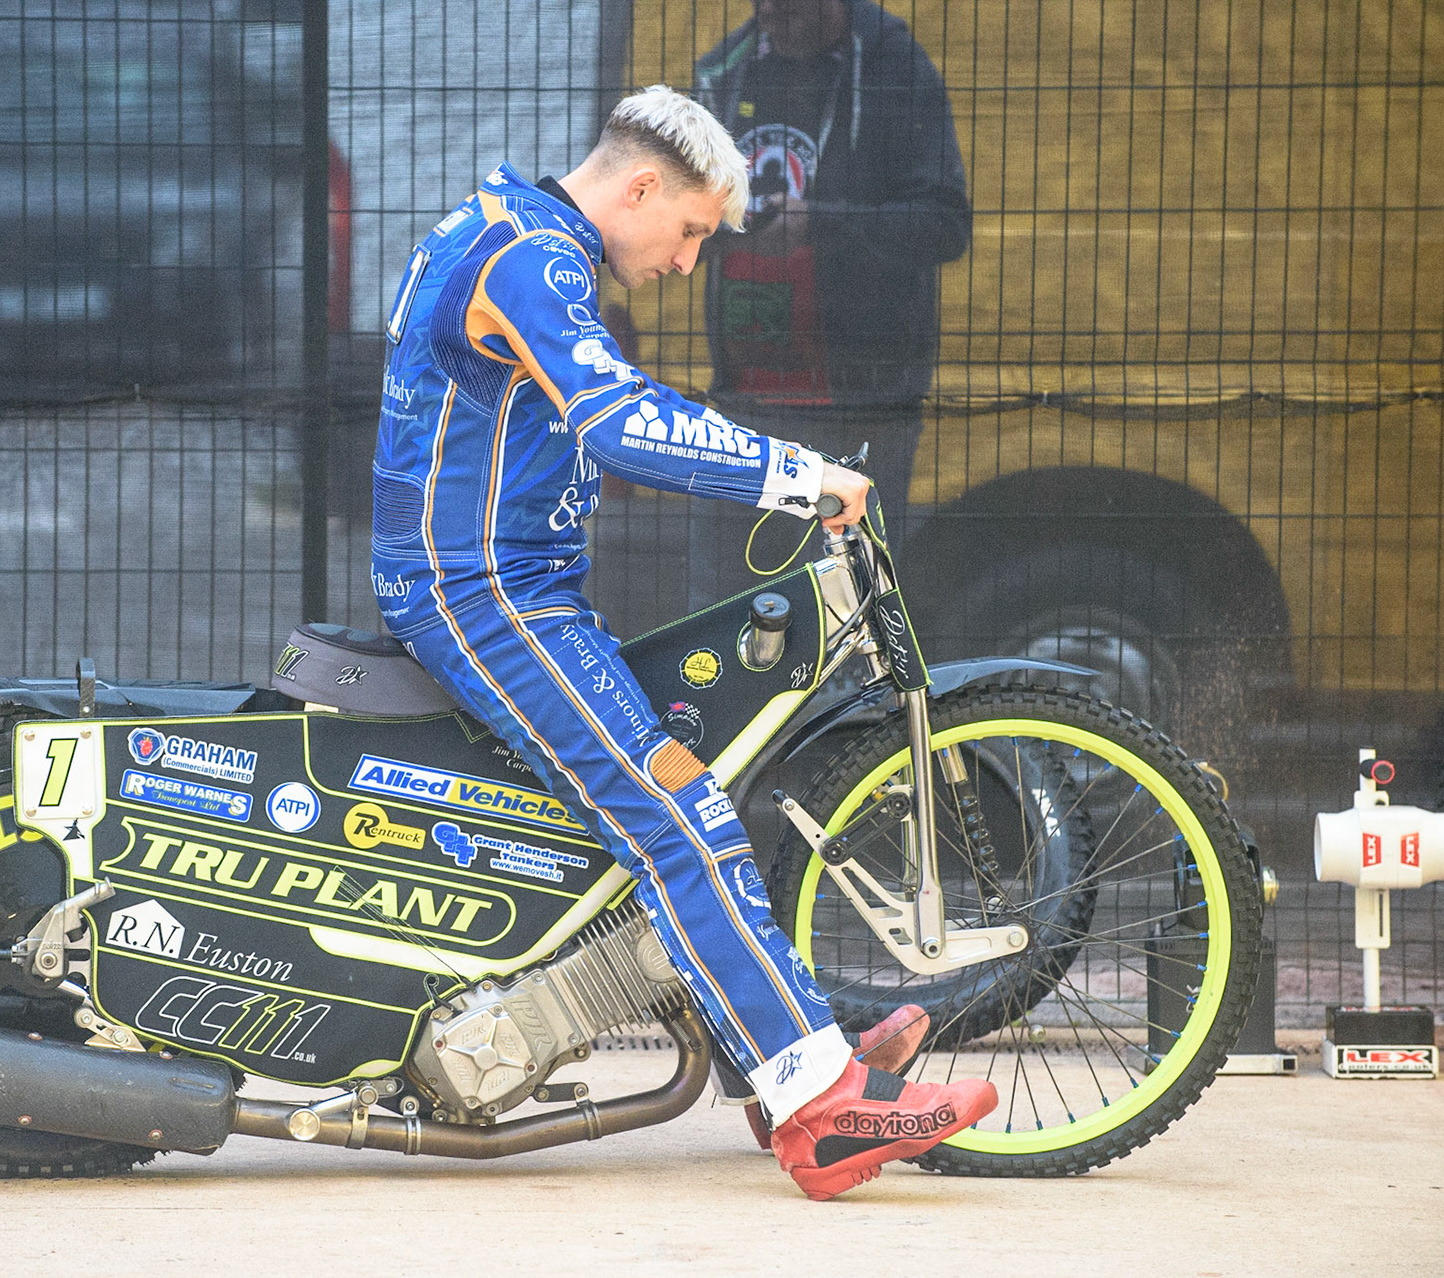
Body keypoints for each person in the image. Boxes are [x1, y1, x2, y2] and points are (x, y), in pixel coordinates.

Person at [370, 85, 995, 1200]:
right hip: (485, 597)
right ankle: (821, 1108)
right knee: (684, 818)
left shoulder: (509, 233)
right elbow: (618, 421)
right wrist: (799, 477)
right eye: (694, 231)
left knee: (667, 811)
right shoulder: (531, 260)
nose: (689, 262)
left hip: (508, 591)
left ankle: (786, 1046)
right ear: (641, 186)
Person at [694, 0, 970, 565]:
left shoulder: (894, 67)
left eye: (795, 10)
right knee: (726, 601)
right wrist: (723, 227)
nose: (776, 20)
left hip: (864, 403)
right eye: (765, 8)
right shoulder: (724, 70)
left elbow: (944, 224)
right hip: (744, 400)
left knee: (850, 593)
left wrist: (821, 221)